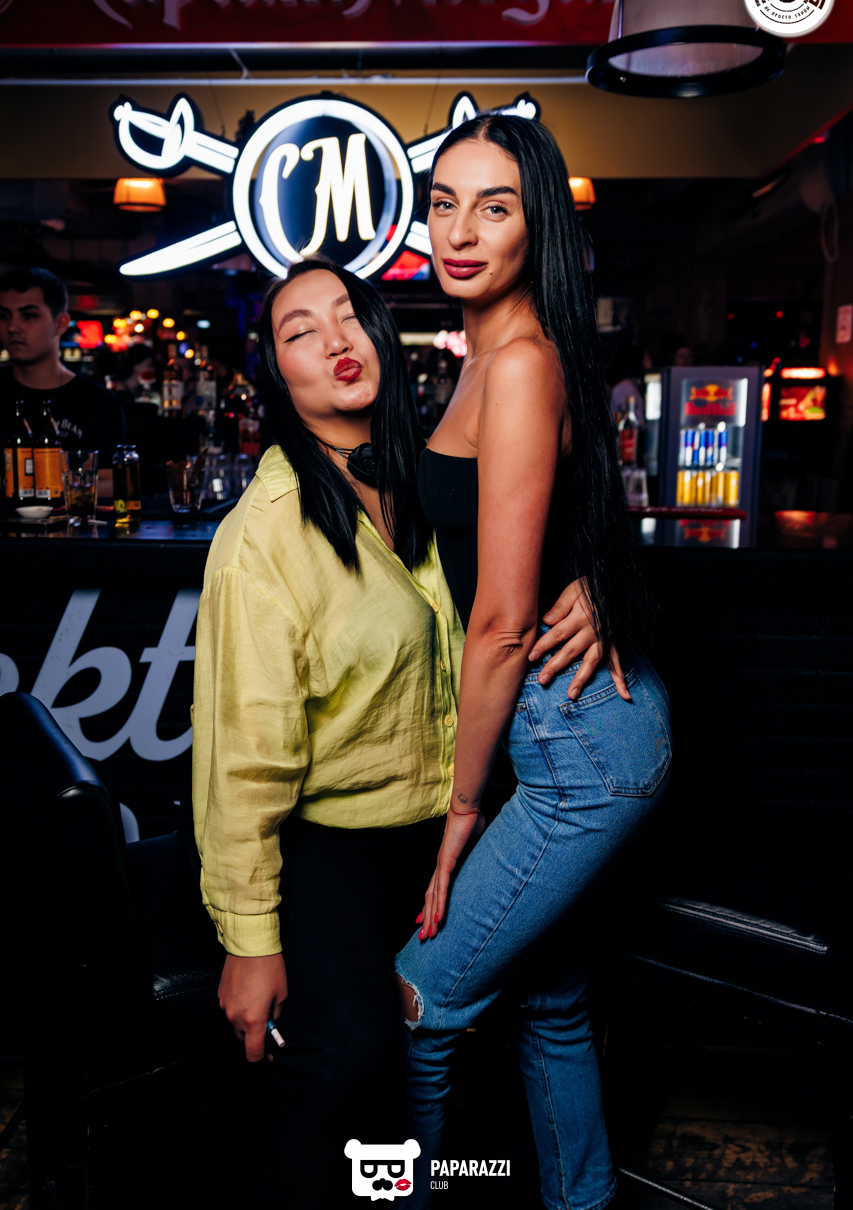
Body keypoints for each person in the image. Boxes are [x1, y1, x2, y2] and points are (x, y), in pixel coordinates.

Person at [191, 258, 618, 1209]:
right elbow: (241, 758)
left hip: (454, 825)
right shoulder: (264, 533)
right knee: (351, 1052)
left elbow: (541, 537)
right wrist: (249, 941)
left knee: (499, 1038)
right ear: (275, 374)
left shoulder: (429, 477)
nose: (337, 340)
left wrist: (594, 580)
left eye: (350, 315)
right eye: (301, 331)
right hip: (335, 840)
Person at [393, 113, 673, 1210]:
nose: (460, 231)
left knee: (422, 991)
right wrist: (600, 573)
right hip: (570, 734)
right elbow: (559, 528)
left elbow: (503, 621)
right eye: (443, 203)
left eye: (494, 206)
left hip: (578, 749)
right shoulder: (488, 359)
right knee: (549, 1003)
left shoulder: (519, 364)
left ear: (536, 224)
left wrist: (461, 813)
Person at [0, 268, 126, 476]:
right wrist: (75, 477)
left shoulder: (98, 403)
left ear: (60, 323)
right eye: (4, 315)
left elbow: (112, 482)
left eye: (28, 315)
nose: (13, 327)